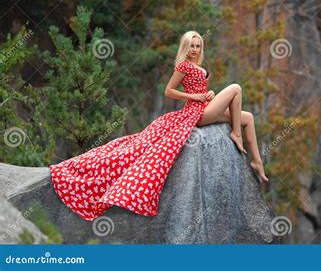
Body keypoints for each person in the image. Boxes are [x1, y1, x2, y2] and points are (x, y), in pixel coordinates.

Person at [49, 30, 268, 222]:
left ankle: (257, 162)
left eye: (198, 45)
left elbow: (202, 90)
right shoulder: (183, 65)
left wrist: (208, 94)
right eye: (191, 45)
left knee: (247, 117)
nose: (194, 48)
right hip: (197, 113)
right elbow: (168, 91)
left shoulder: (197, 66)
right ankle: (236, 135)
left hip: (205, 106)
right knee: (236, 88)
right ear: (185, 46)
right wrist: (196, 96)